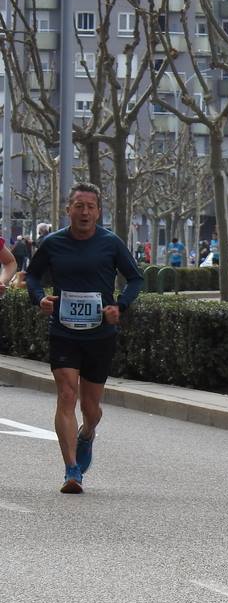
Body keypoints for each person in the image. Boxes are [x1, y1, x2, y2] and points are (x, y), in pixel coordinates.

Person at [25, 183, 144, 493]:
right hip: (63, 331)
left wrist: (120, 306)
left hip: (100, 334)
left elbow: (135, 278)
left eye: (90, 206)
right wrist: (39, 298)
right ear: (68, 210)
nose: (85, 211)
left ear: (98, 212)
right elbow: (33, 275)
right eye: (79, 205)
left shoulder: (111, 243)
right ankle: (71, 469)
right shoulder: (52, 243)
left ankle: (87, 433)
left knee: (91, 408)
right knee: (66, 395)